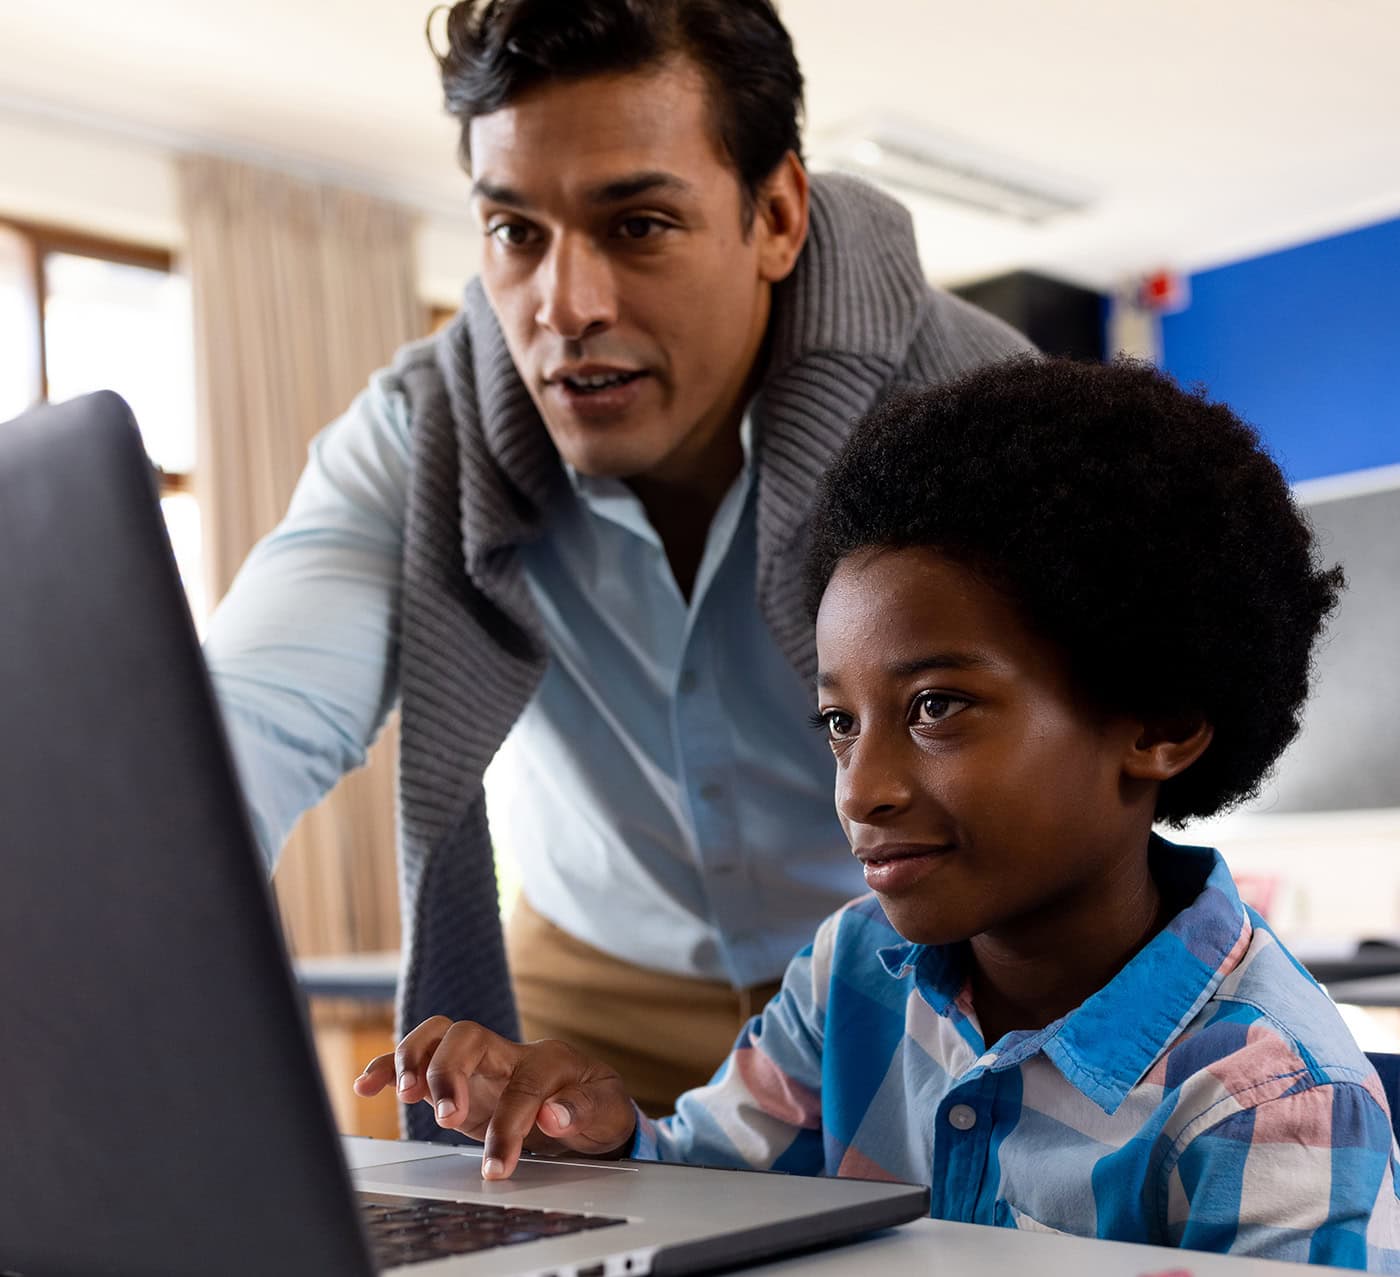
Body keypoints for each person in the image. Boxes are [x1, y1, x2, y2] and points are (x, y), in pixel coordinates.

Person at [355, 356, 1400, 1268]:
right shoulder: (854, 970)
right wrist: (601, 1132)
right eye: (839, 721)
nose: (860, 789)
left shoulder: (1272, 1103)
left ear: (1158, 720)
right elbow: (703, 1185)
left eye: (936, 706)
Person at [203, 0, 1032, 1135]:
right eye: (514, 232)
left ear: (776, 214)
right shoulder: (419, 436)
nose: (566, 307)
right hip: (585, 992)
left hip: (914, 969)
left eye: (636, 225)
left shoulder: (975, 406)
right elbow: (242, 719)